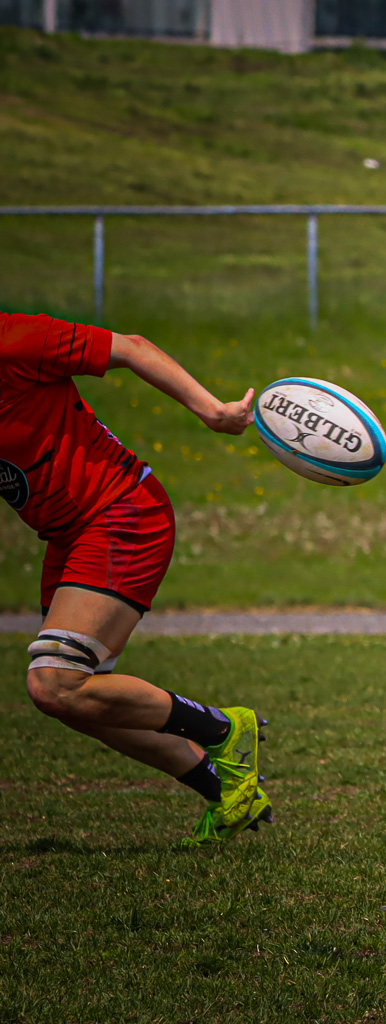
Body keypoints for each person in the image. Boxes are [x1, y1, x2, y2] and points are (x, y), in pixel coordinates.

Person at [3, 313, 270, 847]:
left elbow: (131, 346)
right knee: (79, 701)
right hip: (68, 535)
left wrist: (213, 411)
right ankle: (226, 791)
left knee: (55, 682)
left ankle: (225, 729)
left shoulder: (12, 340)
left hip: (122, 513)